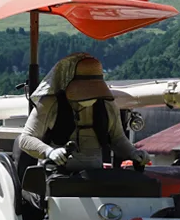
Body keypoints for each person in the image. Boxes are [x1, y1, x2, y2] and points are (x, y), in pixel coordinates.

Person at [18, 52, 149, 171]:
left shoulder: (107, 104)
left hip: (95, 179)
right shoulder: (50, 104)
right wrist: (49, 152)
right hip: (55, 178)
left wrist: (133, 153)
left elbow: (118, 138)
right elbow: (25, 139)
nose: (89, 95)